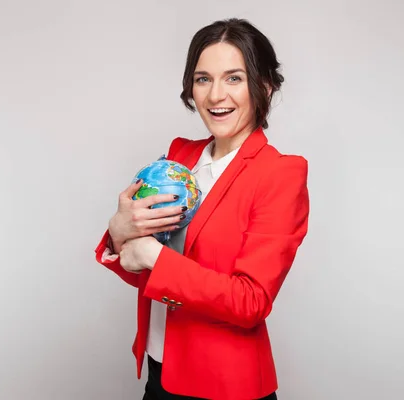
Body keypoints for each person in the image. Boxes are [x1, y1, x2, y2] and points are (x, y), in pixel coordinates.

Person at [94, 18, 309, 400]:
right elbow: (150, 270)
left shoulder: (280, 173)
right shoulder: (179, 158)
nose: (215, 96)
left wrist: (155, 258)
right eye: (203, 79)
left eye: (234, 78)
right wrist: (119, 232)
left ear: (264, 85)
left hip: (225, 386)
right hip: (160, 375)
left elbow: (251, 301)